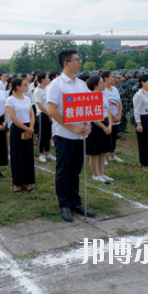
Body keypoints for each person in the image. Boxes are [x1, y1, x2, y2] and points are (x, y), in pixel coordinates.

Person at [47, 49, 95, 223]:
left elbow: (88, 107)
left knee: (75, 170)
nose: (80, 62)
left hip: (80, 135)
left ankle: (76, 202)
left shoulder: (81, 84)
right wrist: (71, 128)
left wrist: (88, 124)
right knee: (63, 171)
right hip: (64, 135)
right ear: (66, 63)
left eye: (79, 59)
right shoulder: (57, 85)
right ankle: (64, 204)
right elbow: (52, 110)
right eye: (76, 59)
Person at [5, 78, 36, 193]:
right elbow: (13, 118)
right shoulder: (10, 100)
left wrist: (31, 128)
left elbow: (32, 114)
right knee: (17, 156)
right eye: (24, 85)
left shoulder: (27, 98)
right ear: (17, 87)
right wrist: (27, 129)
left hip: (29, 128)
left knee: (28, 156)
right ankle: (16, 183)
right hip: (18, 129)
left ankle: (26, 182)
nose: (26, 87)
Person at [86, 75, 113, 183]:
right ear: (95, 85)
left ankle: (101, 173)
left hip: (106, 123)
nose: (103, 85)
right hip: (96, 126)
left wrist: (110, 125)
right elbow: (92, 116)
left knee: (103, 151)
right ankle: (95, 174)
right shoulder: (91, 97)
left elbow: (108, 111)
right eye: (101, 83)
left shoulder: (103, 95)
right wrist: (104, 127)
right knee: (95, 152)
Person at [33, 72, 56, 163]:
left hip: (49, 114)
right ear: (42, 80)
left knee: (48, 134)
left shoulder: (47, 89)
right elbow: (40, 105)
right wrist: (49, 114)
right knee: (42, 135)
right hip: (42, 115)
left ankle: (47, 152)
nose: (48, 80)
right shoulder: (37, 91)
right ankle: (41, 154)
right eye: (47, 78)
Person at [102, 71, 124, 163]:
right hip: (107, 117)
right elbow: (104, 105)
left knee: (114, 136)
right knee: (105, 137)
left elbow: (119, 102)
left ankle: (112, 155)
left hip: (116, 117)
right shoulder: (102, 90)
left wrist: (119, 114)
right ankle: (102, 157)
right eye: (112, 77)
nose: (114, 79)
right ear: (105, 78)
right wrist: (112, 117)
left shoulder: (115, 89)